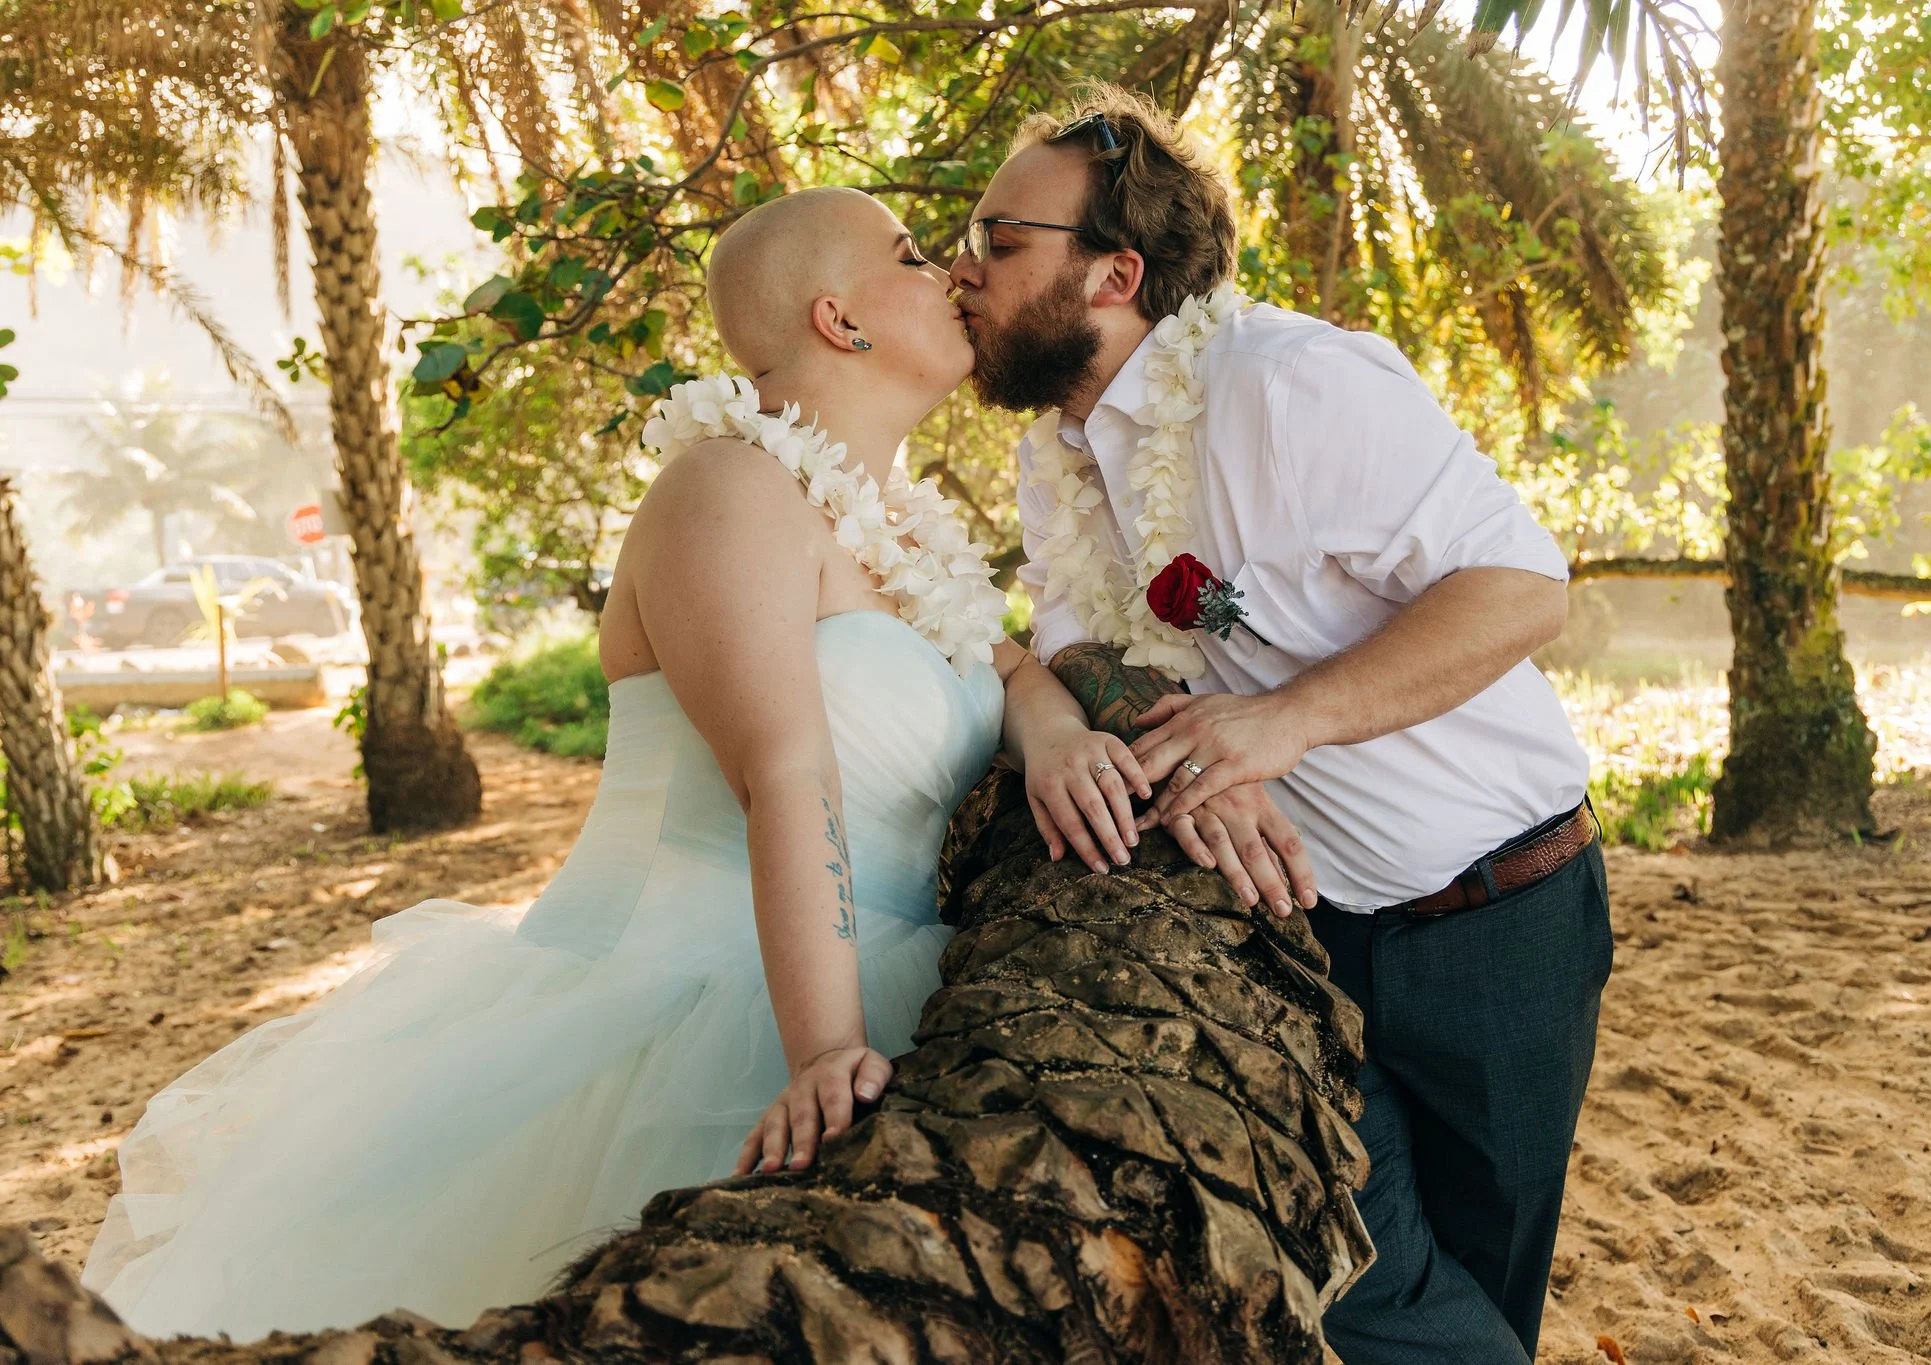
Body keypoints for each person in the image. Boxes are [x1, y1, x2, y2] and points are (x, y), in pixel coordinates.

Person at [82, 186, 1144, 1342]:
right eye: (910, 254)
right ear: (838, 319)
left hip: (890, 983)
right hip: (689, 1006)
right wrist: (826, 1052)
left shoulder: (902, 532)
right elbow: (784, 773)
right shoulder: (726, 488)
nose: (949, 270)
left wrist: (1049, 732)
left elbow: (1000, 665)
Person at [954, 86, 1611, 1364]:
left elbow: (1521, 589)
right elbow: (1077, 635)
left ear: (1114, 273)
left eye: (997, 238)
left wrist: (1279, 724)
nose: (959, 270)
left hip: (1497, 918)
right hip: (1292, 930)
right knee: (1368, 1296)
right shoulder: (1055, 452)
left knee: (1485, 1281)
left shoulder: (1290, 383)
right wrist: (1158, 736)